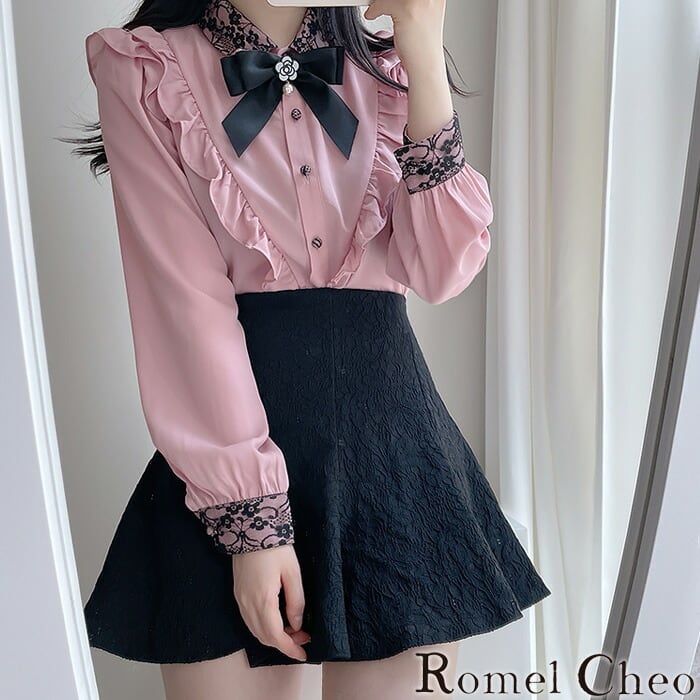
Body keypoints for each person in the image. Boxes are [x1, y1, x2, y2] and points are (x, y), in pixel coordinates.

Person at [67, 0, 551, 697]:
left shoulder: (390, 69)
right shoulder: (146, 69)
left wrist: (422, 51)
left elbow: (443, 269)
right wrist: (253, 528)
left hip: (394, 454)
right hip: (228, 467)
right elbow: (182, 306)